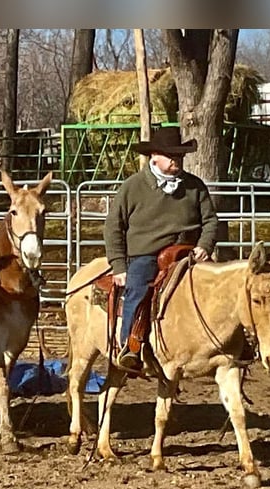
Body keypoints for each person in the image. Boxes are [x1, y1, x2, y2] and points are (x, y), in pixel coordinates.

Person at [103, 126, 219, 371]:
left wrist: (204, 245)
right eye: (171, 156)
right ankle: (130, 347)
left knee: (218, 288)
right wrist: (119, 265)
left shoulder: (195, 186)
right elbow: (114, 226)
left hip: (189, 253)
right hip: (147, 255)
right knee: (137, 288)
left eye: (179, 156)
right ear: (154, 156)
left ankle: (225, 342)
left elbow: (210, 221)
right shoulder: (133, 187)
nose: (176, 160)